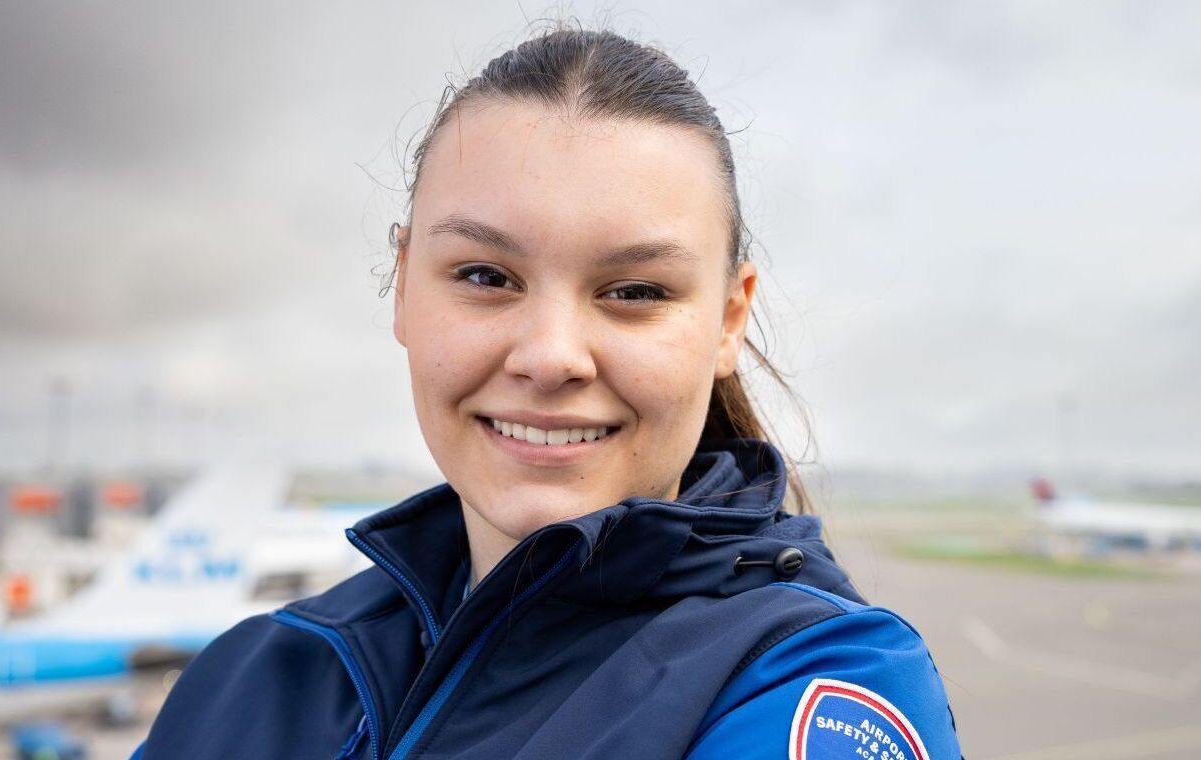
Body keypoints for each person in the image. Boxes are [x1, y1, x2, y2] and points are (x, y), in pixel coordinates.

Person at [137, 27, 961, 760]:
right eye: (486, 276)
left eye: (634, 291)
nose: (551, 356)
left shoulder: (814, 690)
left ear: (727, 322)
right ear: (402, 290)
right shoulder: (248, 678)